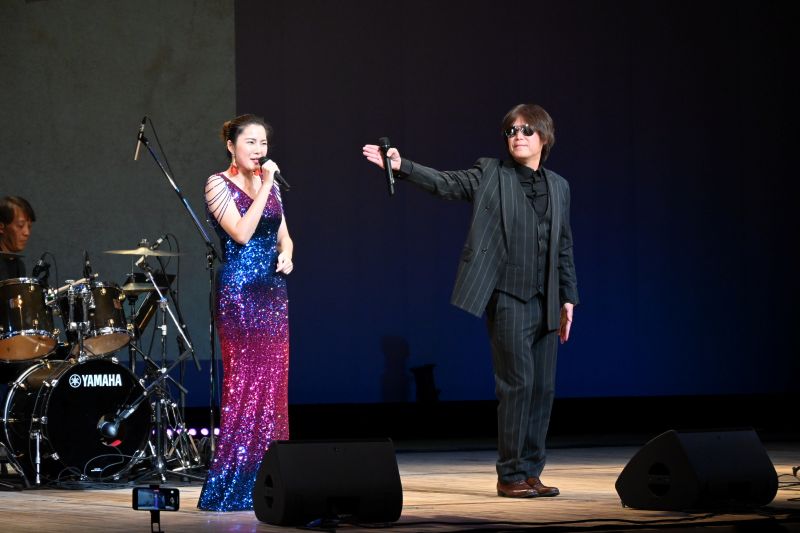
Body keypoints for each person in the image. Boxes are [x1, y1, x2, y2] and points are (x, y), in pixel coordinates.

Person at [362, 103, 579, 498]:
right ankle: (511, 474)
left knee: (542, 389)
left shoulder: (559, 186)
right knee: (517, 384)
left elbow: (563, 246)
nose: (517, 136)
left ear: (544, 137)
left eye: (526, 130)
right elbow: (445, 183)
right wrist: (402, 165)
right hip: (509, 295)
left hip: (547, 298)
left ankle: (532, 471)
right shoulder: (491, 173)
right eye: (511, 131)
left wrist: (568, 297)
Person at [198, 114, 294, 511]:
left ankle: (271, 479)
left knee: (273, 385)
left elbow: (283, 235)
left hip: (273, 293)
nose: (259, 150)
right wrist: (265, 185)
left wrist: (288, 254)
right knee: (245, 383)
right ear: (231, 146)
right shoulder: (217, 183)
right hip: (240, 294)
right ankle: (234, 484)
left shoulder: (271, 185)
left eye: (263, 143)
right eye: (251, 142)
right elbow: (240, 232)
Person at [0, 196, 35, 280]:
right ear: (1, 227)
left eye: (29, 226)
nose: (27, 233)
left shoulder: (19, 265)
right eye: (20, 225)